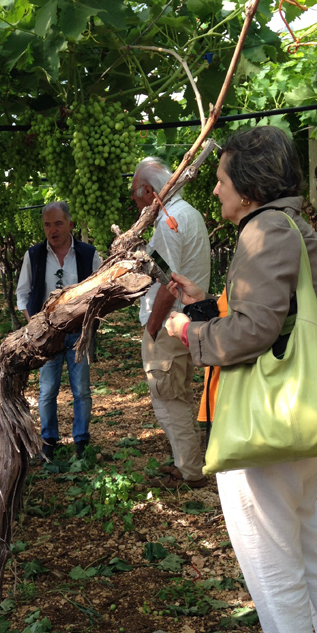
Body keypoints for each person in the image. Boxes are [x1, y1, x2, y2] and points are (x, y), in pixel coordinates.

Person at [165, 126, 317, 633]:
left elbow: (252, 333)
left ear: (249, 185)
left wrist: (186, 330)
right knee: (306, 535)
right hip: (304, 415)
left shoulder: (263, 230)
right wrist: (204, 302)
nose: (217, 191)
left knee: (267, 553)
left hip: (269, 427)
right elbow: (275, 314)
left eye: (222, 180)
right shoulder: (293, 228)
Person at [130, 157, 210, 489]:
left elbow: (169, 282)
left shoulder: (169, 221)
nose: (138, 208)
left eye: (137, 199)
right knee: (179, 395)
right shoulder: (190, 214)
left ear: (148, 191)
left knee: (168, 400)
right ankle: (189, 463)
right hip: (187, 320)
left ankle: (191, 473)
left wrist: (151, 327)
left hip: (167, 325)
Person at [16, 201, 101, 459]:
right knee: (48, 389)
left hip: (78, 334)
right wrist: (36, 326)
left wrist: (89, 322)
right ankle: (49, 441)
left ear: (70, 225)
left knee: (81, 389)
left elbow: (100, 291)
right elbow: (22, 294)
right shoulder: (34, 255)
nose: (52, 230)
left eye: (58, 223)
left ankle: (81, 442)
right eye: (47, 225)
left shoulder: (88, 254)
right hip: (48, 335)